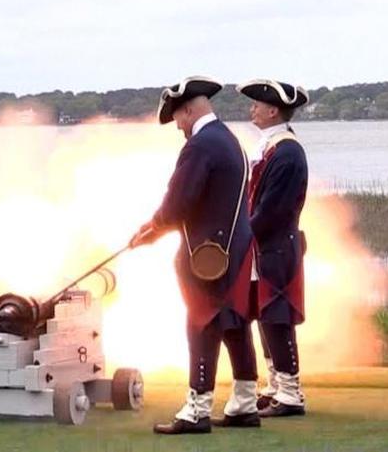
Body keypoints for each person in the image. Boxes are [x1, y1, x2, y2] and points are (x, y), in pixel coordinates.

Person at [129, 76, 259, 434]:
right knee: (234, 326)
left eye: (179, 119)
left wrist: (151, 228)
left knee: (201, 325)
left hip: (207, 256)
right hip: (234, 251)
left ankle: (197, 409)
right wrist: (155, 229)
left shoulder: (201, 146)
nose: (180, 127)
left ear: (189, 110)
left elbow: (178, 203)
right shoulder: (230, 141)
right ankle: (245, 403)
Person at [237, 79, 310, 417]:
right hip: (265, 247)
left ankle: (291, 394)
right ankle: (276, 386)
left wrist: (242, 234)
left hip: (277, 247)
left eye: (257, 104)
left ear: (272, 111)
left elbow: (272, 210)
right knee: (265, 316)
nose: (252, 108)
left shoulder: (288, 152)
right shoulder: (273, 147)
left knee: (277, 317)